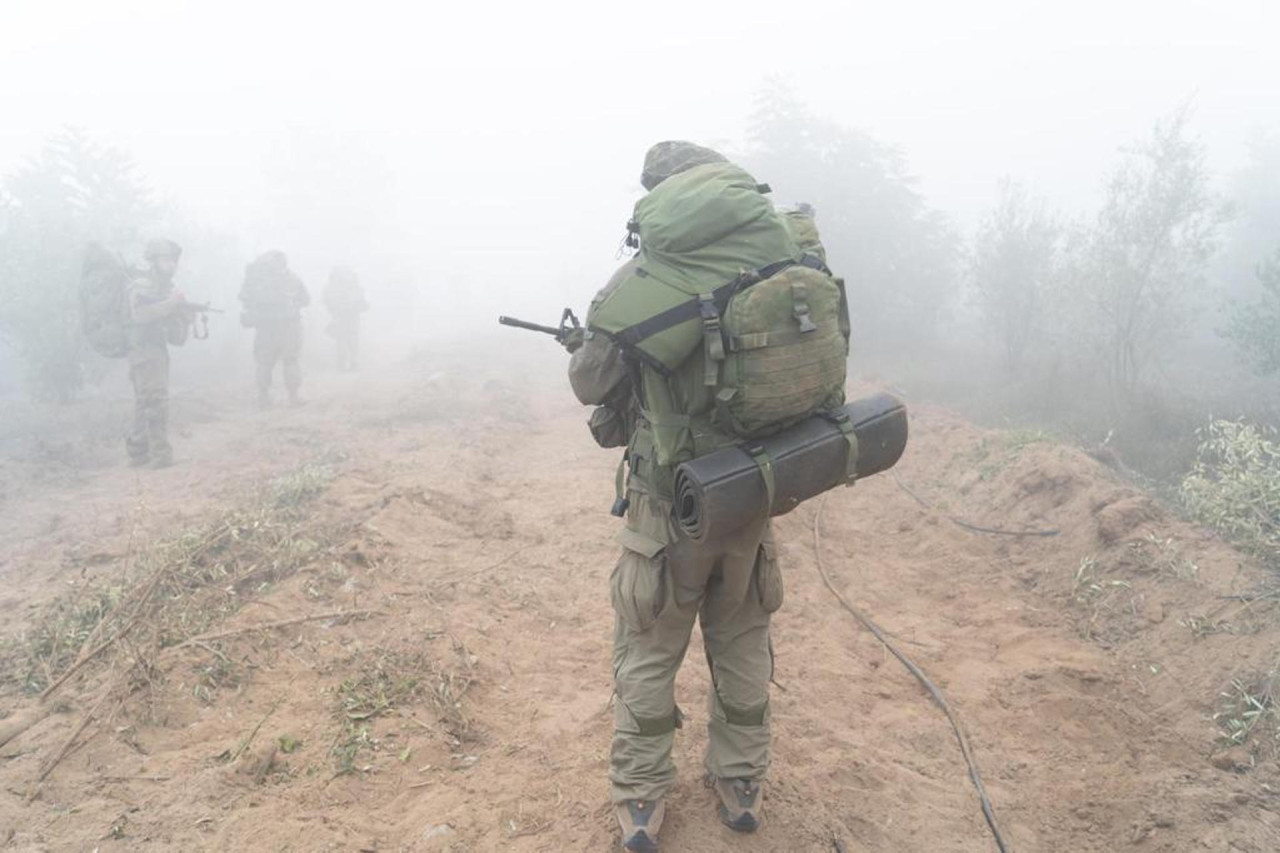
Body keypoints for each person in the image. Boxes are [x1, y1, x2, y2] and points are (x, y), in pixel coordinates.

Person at [568, 141, 830, 852]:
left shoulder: (645, 279)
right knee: (742, 634)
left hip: (668, 502)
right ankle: (740, 783)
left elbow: (590, 384)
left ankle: (643, 797)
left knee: (650, 643)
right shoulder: (785, 254)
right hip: (750, 489)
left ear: (661, 201)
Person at [125, 238, 190, 468]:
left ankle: (138, 453)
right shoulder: (142, 286)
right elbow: (140, 315)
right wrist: (172, 304)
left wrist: (183, 316)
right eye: (165, 259)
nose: (171, 264)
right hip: (144, 351)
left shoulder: (164, 288)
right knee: (155, 401)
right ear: (153, 261)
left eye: (173, 260)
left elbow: (175, 337)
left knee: (146, 401)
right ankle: (160, 454)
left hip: (155, 350)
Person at [239, 250, 309, 406]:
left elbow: (244, 298)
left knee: (264, 362)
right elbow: (305, 299)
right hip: (289, 326)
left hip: (264, 326)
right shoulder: (292, 278)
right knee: (290, 360)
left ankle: (263, 397)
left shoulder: (256, 279)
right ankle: (293, 397)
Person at [322, 265, 369, 371]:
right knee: (350, 338)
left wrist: (332, 308)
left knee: (343, 338)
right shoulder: (353, 285)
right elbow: (362, 300)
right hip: (349, 315)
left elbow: (326, 299)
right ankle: (351, 361)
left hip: (343, 315)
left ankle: (345, 361)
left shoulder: (333, 285)